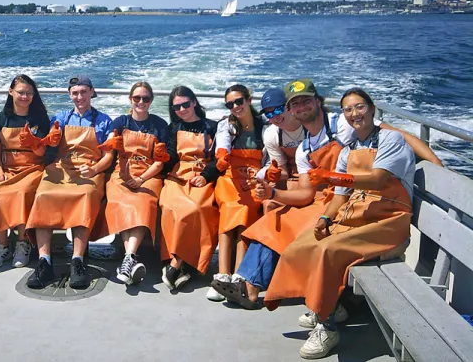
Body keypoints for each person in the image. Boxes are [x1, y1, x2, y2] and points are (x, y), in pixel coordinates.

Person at [216, 79, 441, 312]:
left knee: (290, 224)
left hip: (356, 199)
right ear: (291, 109)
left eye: (306, 101)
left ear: (317, 101)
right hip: (330, 198)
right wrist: (273, 192)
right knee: (274, 219)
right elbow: (305, 193)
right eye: (296, 104)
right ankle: (249, 284)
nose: (301, 107)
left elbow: (401, 137)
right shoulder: (304, 149)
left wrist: (438, 167)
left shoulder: (343, 123)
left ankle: (260, 288)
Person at [264, 88, 416, 359]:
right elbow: (341, 196)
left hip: (389, 220)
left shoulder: (390, 139)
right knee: (304, 242)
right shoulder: (349, 151)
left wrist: (332, 177)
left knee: (327, 251)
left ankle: (327, 327)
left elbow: (378, 180)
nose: (354, 114)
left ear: (371, 109)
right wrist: (325, 218)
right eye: (348, 109)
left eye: (359, 107)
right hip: (357, 215)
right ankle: (327, 306)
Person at [25, 75, 113, 289]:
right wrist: (45, 140)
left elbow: (109, 155)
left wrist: (94, 169)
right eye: (75, 93)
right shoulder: (61, 118)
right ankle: (44, 261)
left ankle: (78, 260)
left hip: (90, 170)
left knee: (85, 196)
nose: (79, 97)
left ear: (92, 92)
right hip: (62, 166)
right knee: (43, 194)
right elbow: (48, 144)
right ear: (69, 95)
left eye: (83, 92)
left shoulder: (104, 121)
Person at [91, 81, 169, 286]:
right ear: (130, 99)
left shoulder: (160, 125)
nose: (141, 102)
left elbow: (160, 162)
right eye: (137, 98)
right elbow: (110, 151)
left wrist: (142, 179)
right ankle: (130, 258)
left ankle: (128, 258)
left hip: (149, 175)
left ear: (151, 101)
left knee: (143, 202)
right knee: (123, 200)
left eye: (145, 98)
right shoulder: (120, 122)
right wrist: (99, 170)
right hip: (121, 173)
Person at [0, 75, 53, 269]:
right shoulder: (0, 118)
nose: (25, 96)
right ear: (10, 92)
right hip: (6, 167)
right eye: (21, 92)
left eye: (29, 93)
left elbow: (42, 152)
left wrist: (33, 142)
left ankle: (23, 244)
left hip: (32, 168)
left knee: (22, 193)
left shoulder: (39, 119)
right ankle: (2, 245)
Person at [158, 86, 220, 291]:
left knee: (199, 208)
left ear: (194, 102)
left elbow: (219, 159)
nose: (182, 109)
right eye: (177, 107)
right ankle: (186, 264)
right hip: (178, 175)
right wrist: (163, 157)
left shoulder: (212, 127)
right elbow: (170, 156)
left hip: (203, 175)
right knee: (170, 206)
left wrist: (205, 176)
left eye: (185, 104)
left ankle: (176, 264)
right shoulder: (173, 128)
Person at [212, 84, 265, 285]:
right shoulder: (227, 125)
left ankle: (239, 274)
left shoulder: (265, 126)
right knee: (229, 207)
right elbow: (223, 145)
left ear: (249, 100)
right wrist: (222, 155)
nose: (235, 106)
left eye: (239, 101)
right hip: (229, 178)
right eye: (230, 104)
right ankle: (222, 274)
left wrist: (261, 176)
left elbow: (269, 161)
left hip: (255, 178)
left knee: (247, 210)